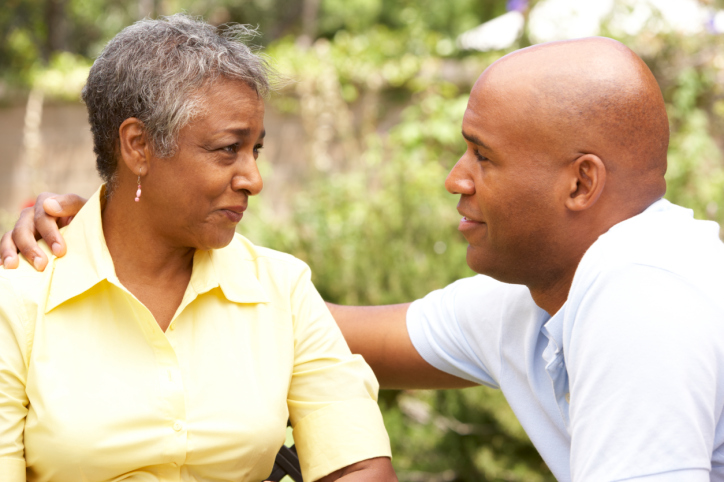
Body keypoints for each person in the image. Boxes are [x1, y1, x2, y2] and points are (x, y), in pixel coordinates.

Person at [5, 36, 724, 481]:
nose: (455, 177)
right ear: (138, 147)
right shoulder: (532, 298)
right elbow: (312, 329)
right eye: (230, 149)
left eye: (482, 155)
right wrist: (116, 239)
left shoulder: (644, 299)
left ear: (580, 182)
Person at [0, 15, 395, 482]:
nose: (254, 179)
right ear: (139, 145)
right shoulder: (19, 300)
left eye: (256, 151)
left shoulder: (282, 289)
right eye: (228, 149)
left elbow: (361, 465)